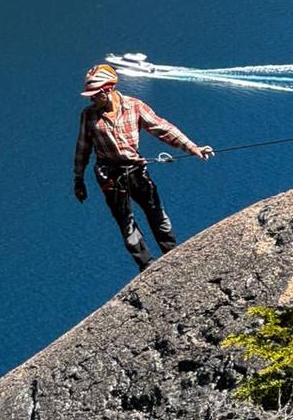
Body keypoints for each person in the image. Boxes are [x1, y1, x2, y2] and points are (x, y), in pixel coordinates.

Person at [73, 63, 213, 271]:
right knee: (125, 221)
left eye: (95, 94)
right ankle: (146, 264)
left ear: (108, 89)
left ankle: (173, 253)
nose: (92, 99)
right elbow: (83, 148)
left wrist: (192, 147)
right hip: (110, 176)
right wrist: (79, 179)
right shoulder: (89, 115)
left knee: (156, 212)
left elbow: (163, 128)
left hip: (136, 170)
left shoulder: (134, 106)